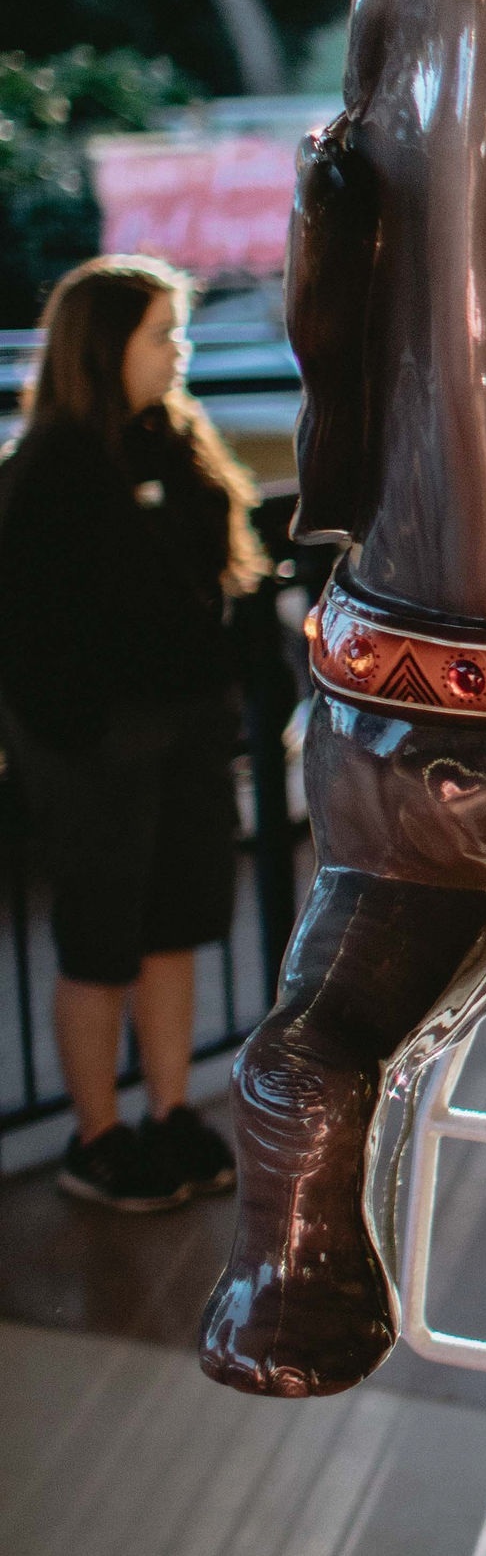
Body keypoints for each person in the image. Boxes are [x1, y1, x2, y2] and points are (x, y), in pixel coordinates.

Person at [0, 256, 259, 1213]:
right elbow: (27, 634)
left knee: (176, 927)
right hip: (97, 748)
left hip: (182, 731)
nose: (179, 350)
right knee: (99, 940)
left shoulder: (177, 447)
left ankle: (167, 1112)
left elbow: (207, 589)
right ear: (104, 346)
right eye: (162, 333)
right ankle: (96, 1134)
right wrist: (79, 733)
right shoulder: (47, 472)